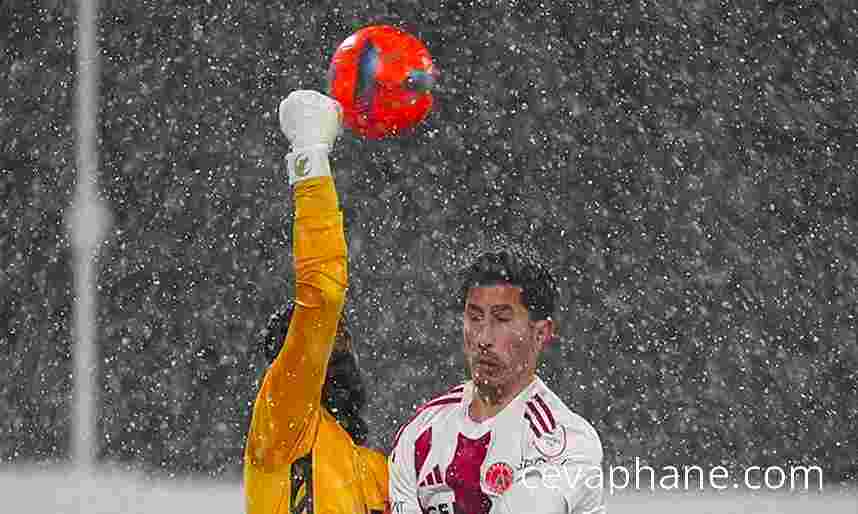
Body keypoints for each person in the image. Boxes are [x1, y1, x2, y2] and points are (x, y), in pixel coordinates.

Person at [243, 90, 387, 514]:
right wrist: (310, 159)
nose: (339, 351)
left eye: (343, 341)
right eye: (325, 341)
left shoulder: (379, 472)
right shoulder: (283, 423)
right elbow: (322, 293)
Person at [388, 248, 605, 514]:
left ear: (540, 333)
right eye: (475, 317)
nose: (483, 338)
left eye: (502, 319)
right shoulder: (420, 433)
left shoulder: (565, 441)